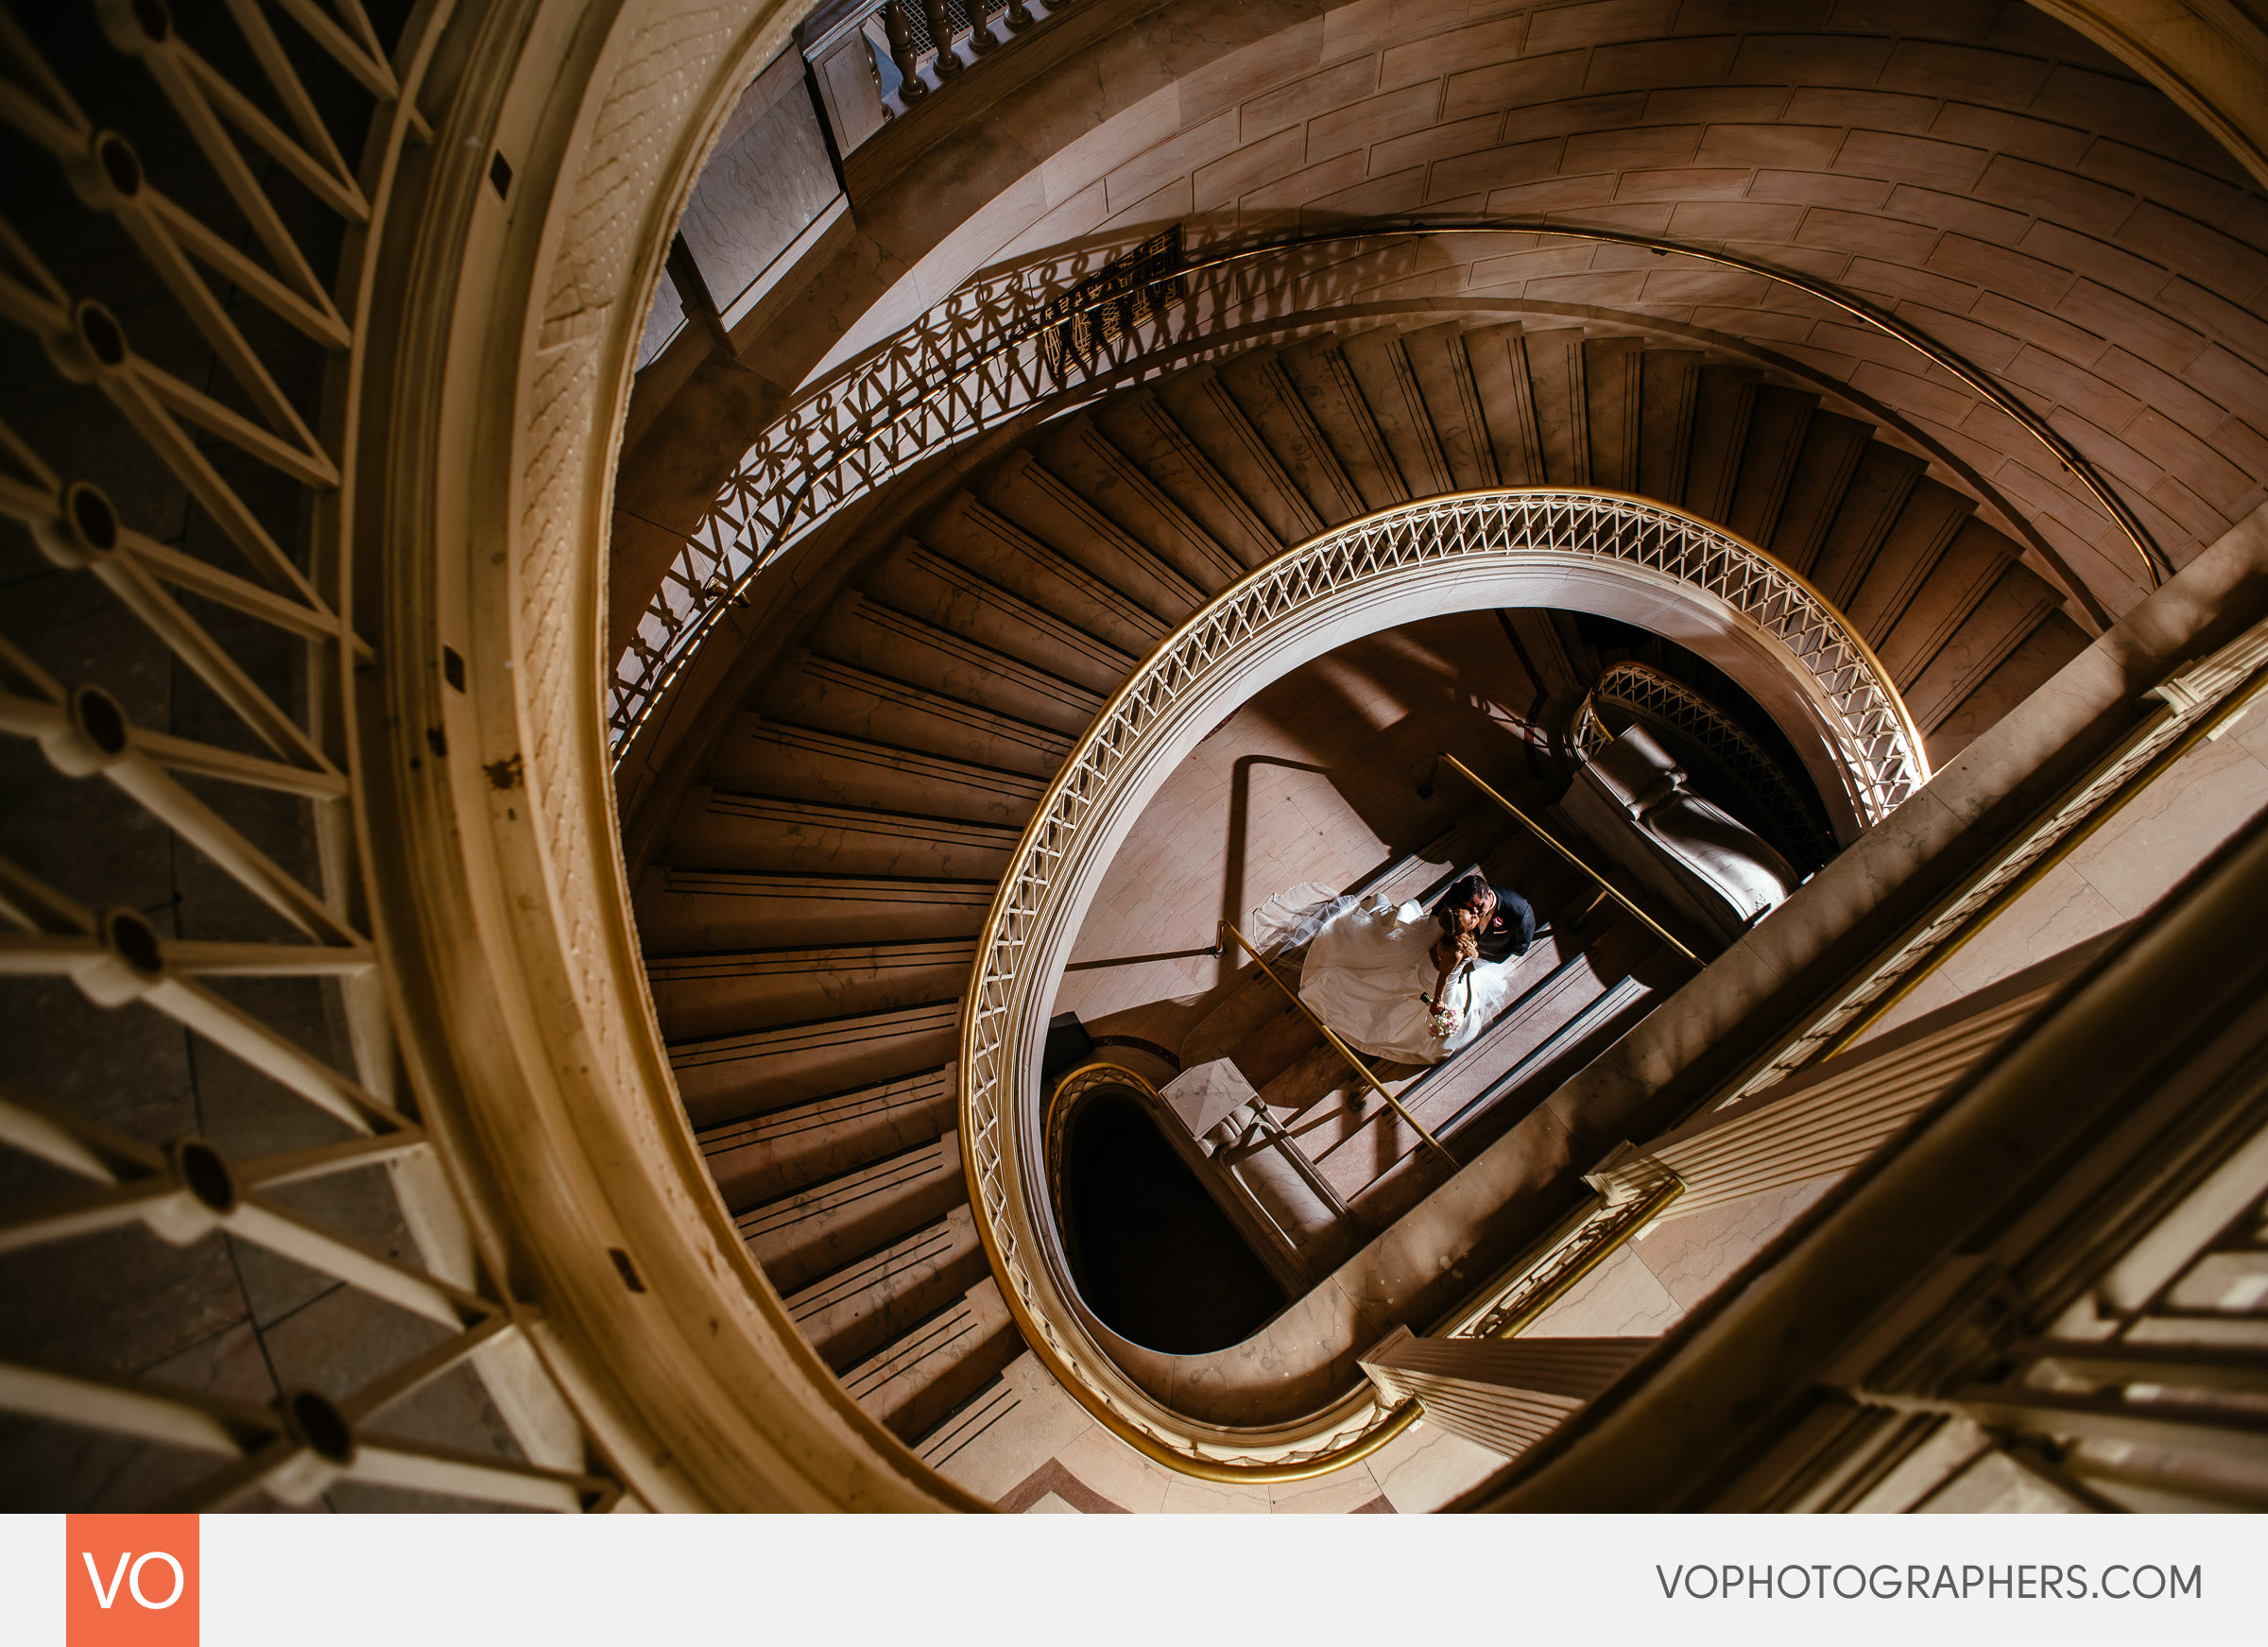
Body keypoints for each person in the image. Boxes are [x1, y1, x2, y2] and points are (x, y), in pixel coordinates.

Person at [1245, 873, 1540, 1065]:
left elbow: (1520, 946)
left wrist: (1477, 956)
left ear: (1489, 896)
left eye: (1479, 909)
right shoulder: (1451, 935)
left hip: (1474, 954)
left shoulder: (1518, 910)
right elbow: (1439, 918)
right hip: (1443, 950)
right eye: (1470, 909)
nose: (1475, 913)